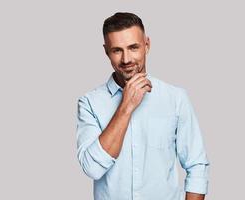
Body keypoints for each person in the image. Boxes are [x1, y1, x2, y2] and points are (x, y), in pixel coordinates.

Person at [76, 12, 210, 200]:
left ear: (147, 45)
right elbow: (92, 168)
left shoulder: (175, 98)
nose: (126, 59)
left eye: (133, 47)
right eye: (117, 50)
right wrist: (126, 106)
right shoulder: (90, 103)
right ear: (106, 51)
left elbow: (197, 166)